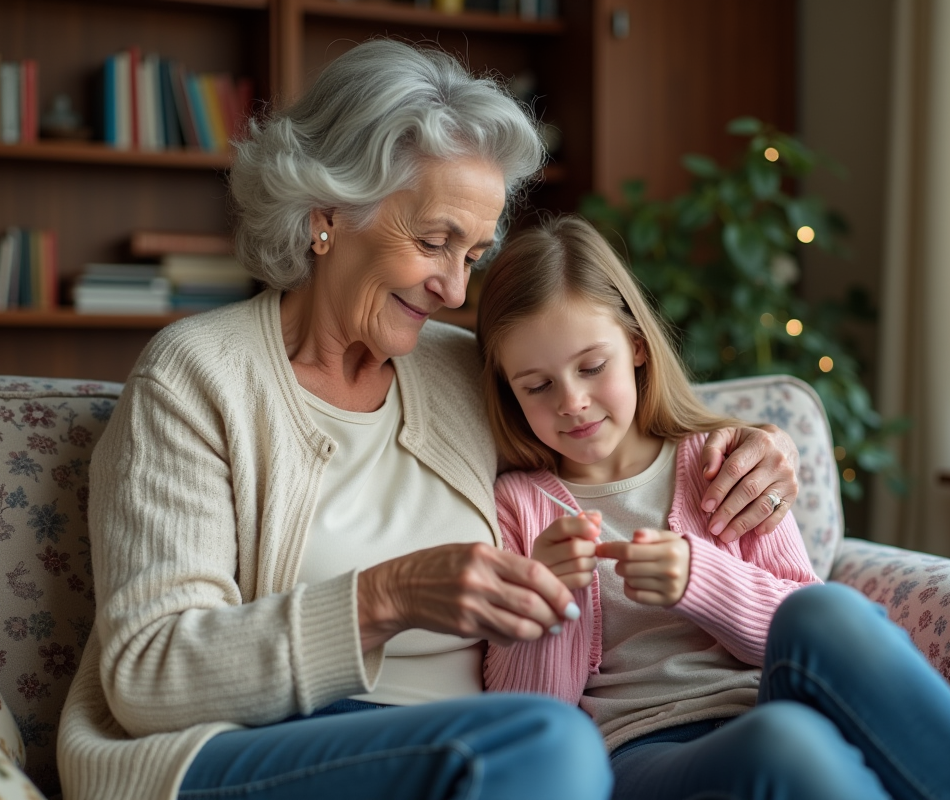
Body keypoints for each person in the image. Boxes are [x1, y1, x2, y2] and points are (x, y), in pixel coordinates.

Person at [55, 41, 805, 800]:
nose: (454, 289)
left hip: (486, 748)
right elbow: (147, 674)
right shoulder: (196, 375)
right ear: (327, 215)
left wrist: (756, 447)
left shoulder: (458, 368)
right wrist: (390, 595)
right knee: (550, 746)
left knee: (555, 745)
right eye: (435, 242)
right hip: (254, 748)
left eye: (474, 254)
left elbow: (615, 420)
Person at [477, 215, 950, 800]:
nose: (572, 401)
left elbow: (798, 620)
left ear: (637, 348)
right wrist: (546, 598)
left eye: (592, 367)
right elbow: (530, 717)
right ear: (510, 393)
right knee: (783, 742)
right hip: (640, 753)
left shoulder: (722, 462)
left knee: (825, 614)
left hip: (771, 699)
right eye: (537, 386)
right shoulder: (519, 506)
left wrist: (702, 577)